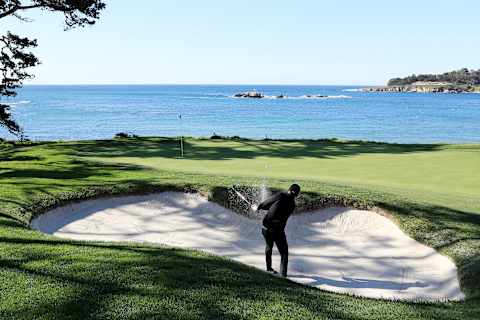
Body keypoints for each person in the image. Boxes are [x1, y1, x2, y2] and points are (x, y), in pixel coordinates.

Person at [253, 184, 301, 277]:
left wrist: (258, 207)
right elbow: (276, 207)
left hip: (266, 228)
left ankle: (268, 268)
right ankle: (283, 275)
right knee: (284, 253)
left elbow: (268, 203)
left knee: (269, 246)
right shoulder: (292, 205)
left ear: (289, 189)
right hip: (278, 231)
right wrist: (260, 208)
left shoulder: (281, 195)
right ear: (297, 195)